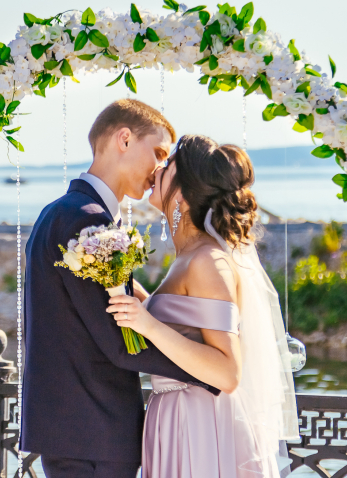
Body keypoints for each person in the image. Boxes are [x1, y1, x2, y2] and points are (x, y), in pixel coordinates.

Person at [20, 100, 219, 478]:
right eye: (157, 152)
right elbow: (118, 342)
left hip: (76, 432)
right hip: (94, 432)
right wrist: (209, 370)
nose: (159, 168)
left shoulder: (61, 212)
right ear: (124, 139)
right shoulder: (86, 220)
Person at [107, 135, 298, 478]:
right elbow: (186, 325)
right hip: (177, 418)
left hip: (201, 427)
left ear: (180, 194)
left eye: (168, 166)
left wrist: (146, 324)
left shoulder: (208, 261)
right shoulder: (190, 256)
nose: (157, 168)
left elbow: (227, 373)